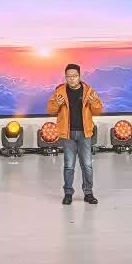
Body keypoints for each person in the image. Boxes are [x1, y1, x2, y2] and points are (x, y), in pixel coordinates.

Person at [47, 63, 103, 204]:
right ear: (65, 77)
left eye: (74, 76)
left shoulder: (89, 91)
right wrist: (57, 104)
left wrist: (94, 102)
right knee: (69, 165)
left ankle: (88, 193)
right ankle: (68, 194)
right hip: (68, 134)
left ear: (79, 76)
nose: (71, 78)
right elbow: (51, 110)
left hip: (85, 133)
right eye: (69, 76)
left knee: (87, 165)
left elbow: (98, 110)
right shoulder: (59, 91)